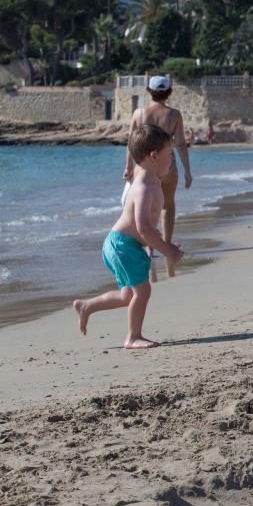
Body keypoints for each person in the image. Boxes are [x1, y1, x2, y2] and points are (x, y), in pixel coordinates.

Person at [74, 124, 183, 349]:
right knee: (143, 291)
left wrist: (163, 241)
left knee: (128, 296)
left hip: (125, 245)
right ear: (153, 156)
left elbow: (146, 226)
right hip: (122, 246)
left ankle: (87, 306)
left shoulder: (152, 181)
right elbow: (143, 227)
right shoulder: (144, 187)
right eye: (169, 154)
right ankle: (133, 337)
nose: (172, 159)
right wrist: (167, 250)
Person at [124, 75, 192, 279]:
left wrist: (128, 166)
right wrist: (188, 170)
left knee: (145, 206)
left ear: (149, 90)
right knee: (167, 205)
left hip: (143, 166)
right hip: (167, 165)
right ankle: (167, 246)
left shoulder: (139, 113)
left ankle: (149, 248)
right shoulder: (174, 115)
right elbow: (180, 144)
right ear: (169, 92)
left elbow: (131, 142)